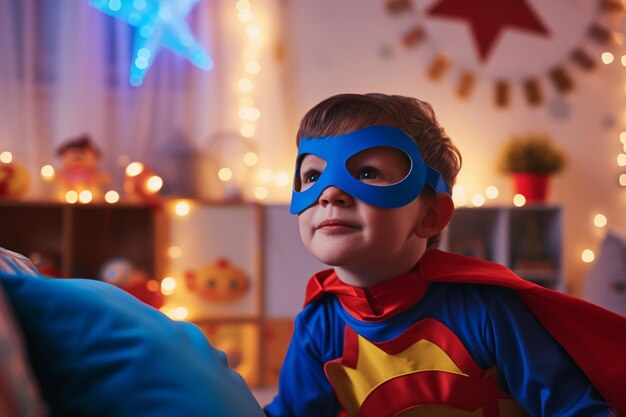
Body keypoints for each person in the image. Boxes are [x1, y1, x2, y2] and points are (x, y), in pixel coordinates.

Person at [264, 93, 626, 417]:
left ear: (430, 215)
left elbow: (572, 408)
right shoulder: (320, 323)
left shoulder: (487, 309)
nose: (329, 194)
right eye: (312, 176)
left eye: (368, 172)